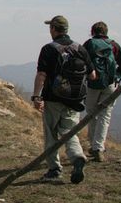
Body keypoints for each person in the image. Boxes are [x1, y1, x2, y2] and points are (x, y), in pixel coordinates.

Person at [31, 16, 97, 184]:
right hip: (74, 100)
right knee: (69, 131)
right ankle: (77, 157)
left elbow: (41, 75)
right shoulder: (80, 49)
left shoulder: (48, 49)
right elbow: (92, 75)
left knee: (51, 134)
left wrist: (36, 96)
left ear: (53, 29)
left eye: (50, 27)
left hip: (52, 100)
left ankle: (54, 170)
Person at [83, 21, 121, 162]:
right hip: (110, 84)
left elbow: (82, 62)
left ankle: (93, 145)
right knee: (105, 115)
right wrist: (115, 75)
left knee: (91, 114)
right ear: (106, 31)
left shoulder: (89, 44)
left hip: (92, 83)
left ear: (92, 31)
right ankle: (98, 147)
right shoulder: (114, 45)